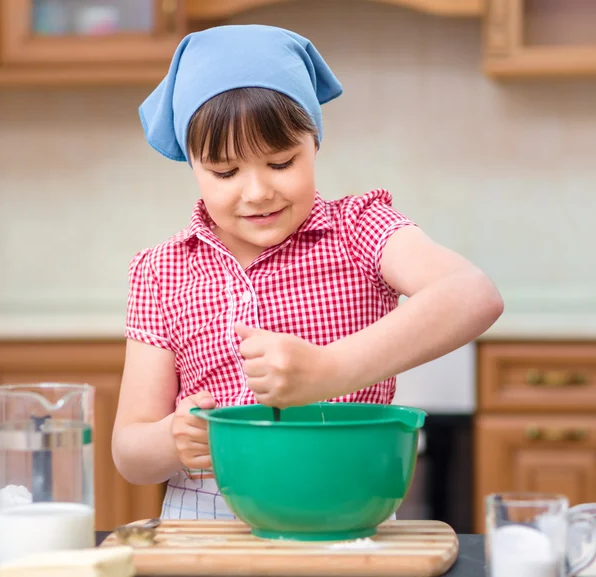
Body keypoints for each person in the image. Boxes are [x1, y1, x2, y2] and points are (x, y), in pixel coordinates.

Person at [111, 24, 504, 520]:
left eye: (280, 161)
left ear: (314, 143)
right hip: (206, 524)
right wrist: (172, 439)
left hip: (345, 507)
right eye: (225, 172)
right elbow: (128, 452)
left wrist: (328, 371)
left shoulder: (359, 229)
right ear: (192, 164)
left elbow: (473, 294)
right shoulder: (161, 271)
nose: (256, 192)